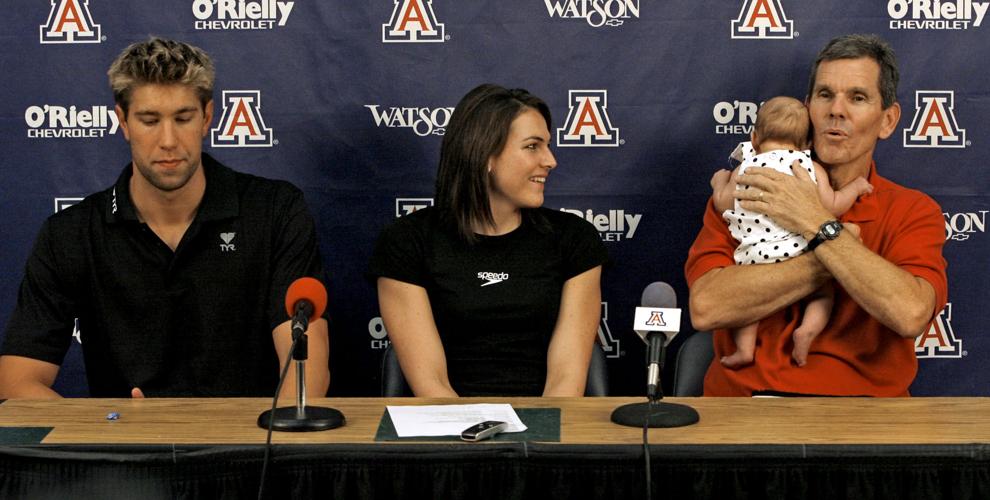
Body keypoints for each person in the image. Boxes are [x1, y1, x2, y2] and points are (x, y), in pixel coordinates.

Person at [0, 38, 330, 398]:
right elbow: (18, 381)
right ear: (123, 122)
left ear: (207, 118)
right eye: (149, 120)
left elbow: (305, 379)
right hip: (122, 451)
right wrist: (107, 430)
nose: (168, 140)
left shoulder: (275, 210)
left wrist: (261, 442)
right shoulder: (72, 233)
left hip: (252, 447)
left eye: (183, 118)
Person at [686, 34, 947, 396]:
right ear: (808, 109)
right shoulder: (749, 189)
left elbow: (909, 313)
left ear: (888, 120)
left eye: (857, 97)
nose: (836, 110)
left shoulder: (913, 210)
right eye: (825, 95)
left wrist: (813, 221)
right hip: (744, 408)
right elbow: (707, 308)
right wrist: (832, 257)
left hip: (865, 413)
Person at [368, 84, 608, 397]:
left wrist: (533, 441)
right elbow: (432, 387)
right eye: (533, 146)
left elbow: (565, 383)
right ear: (485, 156)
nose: (550, 160)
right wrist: (478, 439)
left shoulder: (575, 239)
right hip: (448, 432)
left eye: (547, 145)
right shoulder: (406, 242)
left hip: (546, 432)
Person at [709, 96, 873, 368]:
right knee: (822, 294)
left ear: (754, 137)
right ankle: (807, 330)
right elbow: (831, 206)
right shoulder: (809, 167)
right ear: (808, 144)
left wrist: (719, 182)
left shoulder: (746, 166)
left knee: (748, 305)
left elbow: (723, 203)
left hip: (755, 257)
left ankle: (744, 349)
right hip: (800, 251)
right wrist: (854, 189)